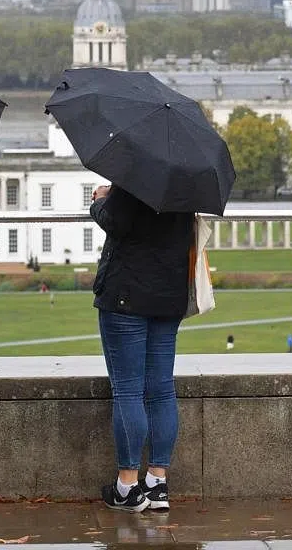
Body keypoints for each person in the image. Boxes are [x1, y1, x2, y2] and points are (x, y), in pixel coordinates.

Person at [90, 183, 192, 513]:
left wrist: (101, 200)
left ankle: (128, 486)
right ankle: (157, 482)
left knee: (129, 392)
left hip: (127, 295)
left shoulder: (137, 173)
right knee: (162, 390)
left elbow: (115, 221)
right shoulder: (187, 177)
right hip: (169, 294)